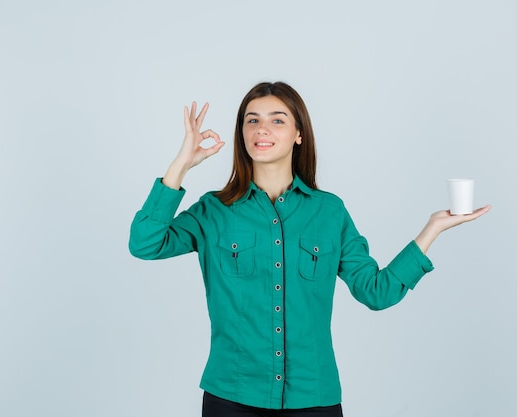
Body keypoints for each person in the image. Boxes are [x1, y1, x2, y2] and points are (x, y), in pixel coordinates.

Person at [129, 81, 491, 417]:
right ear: (242, 133)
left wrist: (432, 229)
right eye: (251, 120)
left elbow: (376, 292)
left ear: (299, 134)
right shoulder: (214, 210)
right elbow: (145, 243)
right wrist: (181, 164)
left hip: (313, 399)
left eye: (277, 120)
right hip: (232, 397)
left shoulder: (329, 212)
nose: (262, 129)